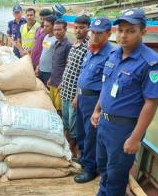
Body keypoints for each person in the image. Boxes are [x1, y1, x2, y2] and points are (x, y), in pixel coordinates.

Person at [81, 9, 158, 196]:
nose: (123, 35)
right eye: (120, 30)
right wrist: (97, 110)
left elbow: (151, 103)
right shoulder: (114, 55)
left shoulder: (151, 63)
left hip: (125, 128)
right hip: (104, 123)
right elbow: (106, 85)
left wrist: (135, 138)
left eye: (130, 31)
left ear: (143, 32)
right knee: (103, 164)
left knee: (117, 172)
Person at [74, 18, 114, 185]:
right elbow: (83, 75)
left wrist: (98, 108)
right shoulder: (91, 50)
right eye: (93, 32)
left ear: (109, 34)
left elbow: (107, 85)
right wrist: (77, 95)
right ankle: (84, 159)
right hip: (82, 97)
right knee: (81, 131)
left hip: (94, 100)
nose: (95, 36)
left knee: (91, 135)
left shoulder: (110, 55)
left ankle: (90, 168)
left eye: (99, 33)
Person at [60, 15, 90, 158]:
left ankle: (72, 150)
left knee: (73, 125)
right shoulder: (75, 44)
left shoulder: (88, 47)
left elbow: (85, 74)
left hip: (75, 94)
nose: (78, 30)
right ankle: (66, 146)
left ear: (87, 28)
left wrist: (78, 96)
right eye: (76, 27)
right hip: (66, 89)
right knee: (65, 120)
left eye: (82, 28)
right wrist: (62, 82)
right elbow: (70, 66)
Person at [48, 20, 72, 115]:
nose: (56, 32)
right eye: (55, 30)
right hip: (53, 81)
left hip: (60, 84)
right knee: (52, 106)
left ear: (65, 30)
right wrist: (51, 77)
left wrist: (63, 82)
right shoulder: (56, 43)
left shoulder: (68, 46)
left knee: (60, 110)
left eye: (59, 30)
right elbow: (56, 64)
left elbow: (68, 65)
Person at [36, 15, 57, 86]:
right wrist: (38, 66)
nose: (44, 28)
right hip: (41, 69)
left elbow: (58, 59)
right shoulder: (46, 36)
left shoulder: (56, 40)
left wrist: (52, 76)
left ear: (54, 26)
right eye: (44, 25)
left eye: (47, 26)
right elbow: (44, 52)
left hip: (49, 72)